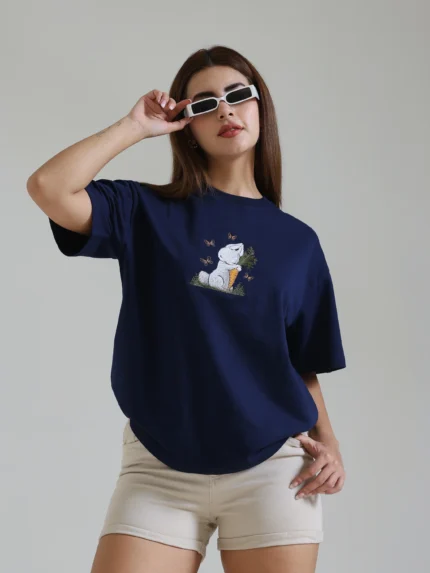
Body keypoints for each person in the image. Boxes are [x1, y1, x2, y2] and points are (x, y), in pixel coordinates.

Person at [27, 45, 347, 573]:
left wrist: (329, 443)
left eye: (238, 95)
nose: (225, 110)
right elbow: (48, 187)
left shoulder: (298, 243)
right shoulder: (144, 211)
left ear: (260, 107)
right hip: (159, 468)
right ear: (187, 125)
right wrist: (135, 126)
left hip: (274, 468)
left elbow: (300, 360)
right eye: (204, 104)